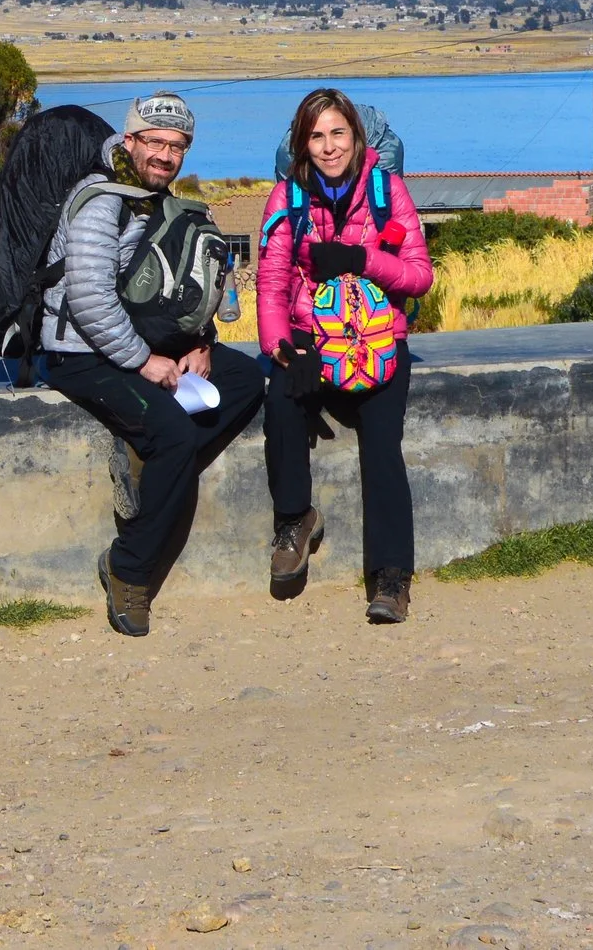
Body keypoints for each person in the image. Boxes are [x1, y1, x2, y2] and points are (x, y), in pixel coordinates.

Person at [40, 91, 268, 637]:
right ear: (130, 141)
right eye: (156, 143)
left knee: (244, 379)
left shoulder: (155, 199)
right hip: (81, 353)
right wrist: (145, 362)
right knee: (173, 436)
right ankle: (128, 569)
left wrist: (201, 341)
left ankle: (144, 462)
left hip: (139, 345)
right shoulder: (103, 200)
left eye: (178, 146)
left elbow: (175, 289)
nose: (166, 156)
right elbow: (92, 301)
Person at [256, 87, 433, 625]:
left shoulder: (388, 192)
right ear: (301, 144)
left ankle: (392, 579)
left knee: (382, 449)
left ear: (356, 137)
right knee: (282, 408)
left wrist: (364, 258)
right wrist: (283, 345)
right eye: (316, 136)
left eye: (338, 133)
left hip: (378, 346)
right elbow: (272, 278)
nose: (329, 147)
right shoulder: (286, 198)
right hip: (314, 344)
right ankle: (295, 520)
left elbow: (420, 275)